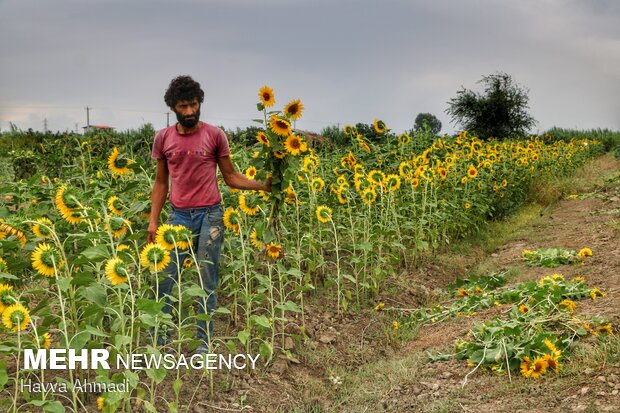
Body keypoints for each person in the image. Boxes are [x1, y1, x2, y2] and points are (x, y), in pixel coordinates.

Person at [148, 75, 271, 353]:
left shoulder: (215, 135)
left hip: (210, 217)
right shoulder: (163, 138)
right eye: (183, 106)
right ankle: (161, 338)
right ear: (173, 108)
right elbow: (160, 183)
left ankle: (203, 343)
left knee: (207, 277)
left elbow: (230, 176)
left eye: (193, 104)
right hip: (178, 216)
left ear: (200, 102)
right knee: (166, 277)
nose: (190, 111)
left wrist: (262, 186)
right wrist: (154, 220)